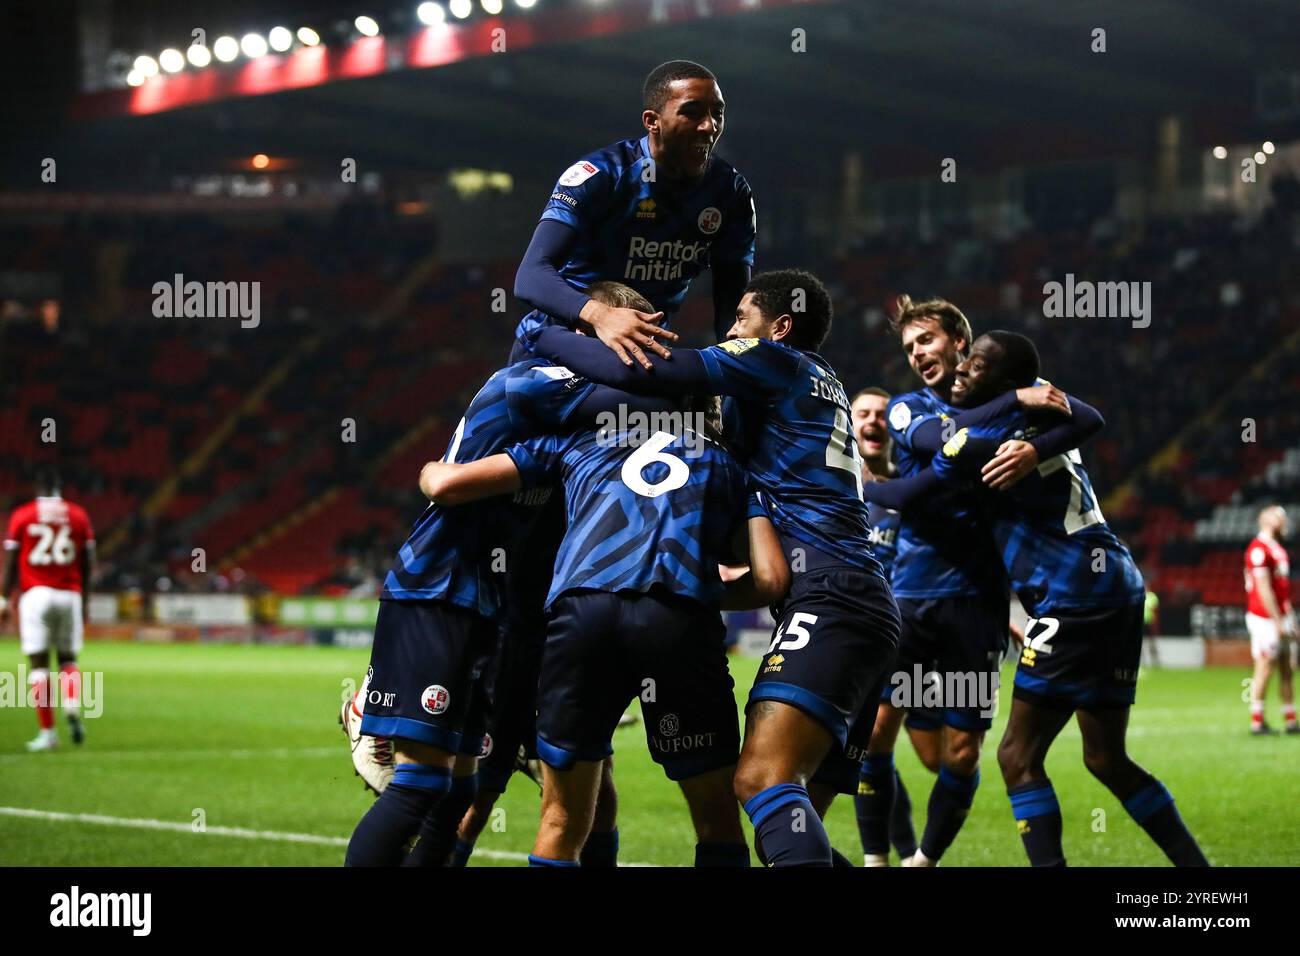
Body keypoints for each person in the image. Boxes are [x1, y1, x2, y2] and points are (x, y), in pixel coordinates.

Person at [529, 268, 900, 866]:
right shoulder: (814, 388)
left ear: (777, 329)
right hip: (861, 602)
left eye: (741, 319)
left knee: (759, 781)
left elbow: (650, 368)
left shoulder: (773, 362)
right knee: (790, 822)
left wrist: (548, 332)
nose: (730, 331)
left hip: (828, 597)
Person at [865, 330, 1207, 867]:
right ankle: (1199, 874)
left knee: (1016, 757)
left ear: (1002, 382)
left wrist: (857, 486)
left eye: (974, 369)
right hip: (1117, 582)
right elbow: (1090, 418)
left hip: (1069, 594)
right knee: (1105, 758)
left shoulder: (974, 443)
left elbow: (908, 493)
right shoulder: (1046, 406)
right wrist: (1035, 438)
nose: (960, 374)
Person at [343, 330, 673, 866]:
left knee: (460, 792)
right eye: (633, 338)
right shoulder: (534, 383)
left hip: (489, 609)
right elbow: (651, 395)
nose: (642, 354)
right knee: (422, 785)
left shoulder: (560, 438)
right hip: (438, 590)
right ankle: (371, 705)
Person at [419, 396, 788, 866]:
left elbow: (448, 484)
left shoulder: (580, 439)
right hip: (676, 620)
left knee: (560, 819)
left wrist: (430, 469)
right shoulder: (733, 464)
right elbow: (771, 579)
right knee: (715, 817)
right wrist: (700, 588)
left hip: (581, 615)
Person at [857, 297, 1095, 867]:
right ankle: (874, 860)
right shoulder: (905, 408)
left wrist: (1033, 441)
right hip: (911, 600)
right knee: (875, 736)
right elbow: (943, 444)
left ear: (960, 344)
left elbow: (1088, 418)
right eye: (910, 347)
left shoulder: (996, 400)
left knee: (961, 754)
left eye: (927, 342)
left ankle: (923, 861)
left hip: (977, 603)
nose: (917, 355)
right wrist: (1017, 401)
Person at [511, 59, 755, 365]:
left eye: (717, 113)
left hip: (642, 354)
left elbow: (731, 304)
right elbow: (531, 275)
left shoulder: (730, 193)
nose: (709, 126)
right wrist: (602, 315)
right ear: (652, 121)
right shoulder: (601, 175)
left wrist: (736, 373)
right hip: (558, 344)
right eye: (692, 113)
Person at [1, 470, 95, 753]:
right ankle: (72, 707)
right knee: (68, 659)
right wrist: (86, 599)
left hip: (37, 594)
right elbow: (89, 560)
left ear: (38, 487)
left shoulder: (23, 515)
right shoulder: (78, 515)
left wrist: (4, 599)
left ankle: (48, 732)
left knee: (39, 665)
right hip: (71, 594)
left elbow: (12, 561)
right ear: (60, 488)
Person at [1243, 504, 1298, 735]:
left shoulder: (1277, 549)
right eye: (1280, 516)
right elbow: (1263, 589)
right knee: (1265, 666)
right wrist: (1276, 620)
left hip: (1280, 616)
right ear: (1267, 519)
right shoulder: (1258, 549)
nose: (1284, 521)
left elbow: (1281, 589)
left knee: (1287, 668)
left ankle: (1291, 720)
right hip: (1264, 617)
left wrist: (1290, 619)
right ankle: (1257, 721)